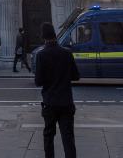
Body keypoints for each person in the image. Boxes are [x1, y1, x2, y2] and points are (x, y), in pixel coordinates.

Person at [34, 22, 79, 158]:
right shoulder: (67, 53)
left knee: (48, 135)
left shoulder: (41, 55)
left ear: (43, 37)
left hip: (50, 102)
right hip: (66, 102)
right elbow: (76, 76)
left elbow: (38, 82)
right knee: (68, 137)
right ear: (55, 35)